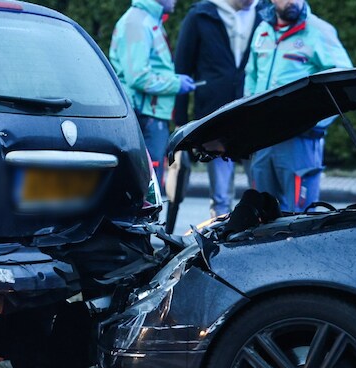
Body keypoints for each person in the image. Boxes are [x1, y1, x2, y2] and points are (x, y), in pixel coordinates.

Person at [244, 0, 351, 211]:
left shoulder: (319, 31)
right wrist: (248, 120)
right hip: (263, 139)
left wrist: (315, 123)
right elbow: (251, 76)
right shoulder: (263, 29)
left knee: (301, 215)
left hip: (299, 140)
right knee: (262, 213)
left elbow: (343, 81)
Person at [173, 0, 259, 219]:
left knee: (261, 187)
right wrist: (181, 124)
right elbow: (182, 68)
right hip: (215, 116)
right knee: (220, 196)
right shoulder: (200, 15)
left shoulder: (265, 14)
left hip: (255, 113)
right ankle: (220, 240)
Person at [110, 0, 197, 187]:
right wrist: (176, 83)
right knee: (146, 186)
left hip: (150, 115)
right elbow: (138, 77)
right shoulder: (137, 23)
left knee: (149, 184)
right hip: (145, 117)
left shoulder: (147, 21)